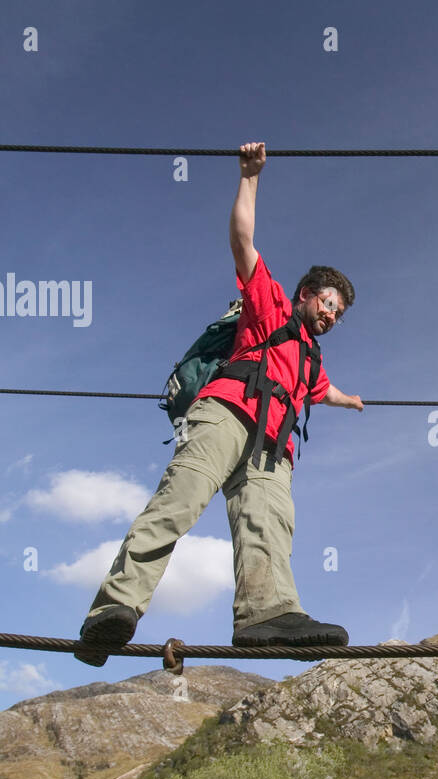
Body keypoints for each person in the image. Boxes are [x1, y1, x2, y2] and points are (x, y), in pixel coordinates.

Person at [74, 141, 363, 666]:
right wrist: (249, 178)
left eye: (339, 314)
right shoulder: (269, 304)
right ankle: (112, 610)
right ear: (305, 294)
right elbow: (242, 239)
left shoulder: (311, 361)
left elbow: (324, 392)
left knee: (270, 525)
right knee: (178, 503)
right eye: (329, 303)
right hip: (226, 413)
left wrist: (351, 402)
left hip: (272, 448)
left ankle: (266, 613)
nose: (332, 316)